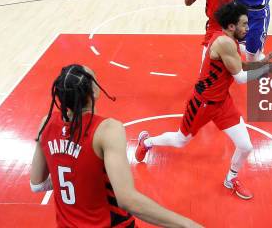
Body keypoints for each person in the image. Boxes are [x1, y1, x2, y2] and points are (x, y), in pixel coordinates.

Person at [135, 2, 272, 200]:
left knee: (246, 146)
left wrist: (263, 62)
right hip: (202, 103)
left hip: (222, 102)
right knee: (181, 140)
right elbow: (239, 78)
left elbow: (238, 65)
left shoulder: (230, 41)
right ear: (232, 26)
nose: (248, 28)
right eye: (244, 24)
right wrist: (266, 70)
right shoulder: (224, 43)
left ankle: (231, 179)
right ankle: (146, 142)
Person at [30, 64, 201, 228]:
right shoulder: (107, 130)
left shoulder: (46, 123)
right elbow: (127, 200)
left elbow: (36, 184)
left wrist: (75, 171)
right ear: (93, 93)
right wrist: (186, 224)